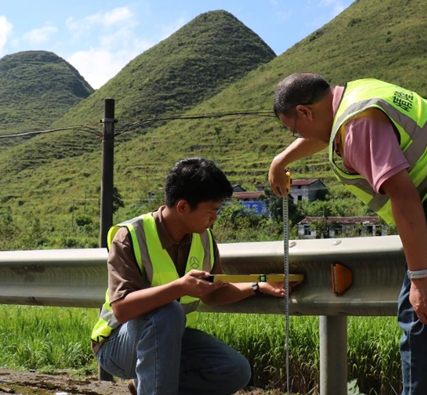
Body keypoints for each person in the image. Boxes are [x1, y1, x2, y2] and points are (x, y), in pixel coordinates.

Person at [268, 74, 427, 395]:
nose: (299, 137)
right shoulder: (357, 96)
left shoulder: (357, 125)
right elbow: (324, 133)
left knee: (422, 313)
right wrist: (282, 159)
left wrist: (420, 277)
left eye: (295, 130)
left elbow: (403, 197)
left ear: (305, 111)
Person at [91, 157, 290, 395]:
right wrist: (180, 287)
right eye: (211, 211)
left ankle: (145, 384)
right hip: (117, 346)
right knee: (168, 312)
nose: (215, 218)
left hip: (170, 340)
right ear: (183, 206)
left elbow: (214, 292)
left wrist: (259, 286)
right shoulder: (131, 236)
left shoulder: (203, 237)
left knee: (234, 370)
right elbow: (122, 309)